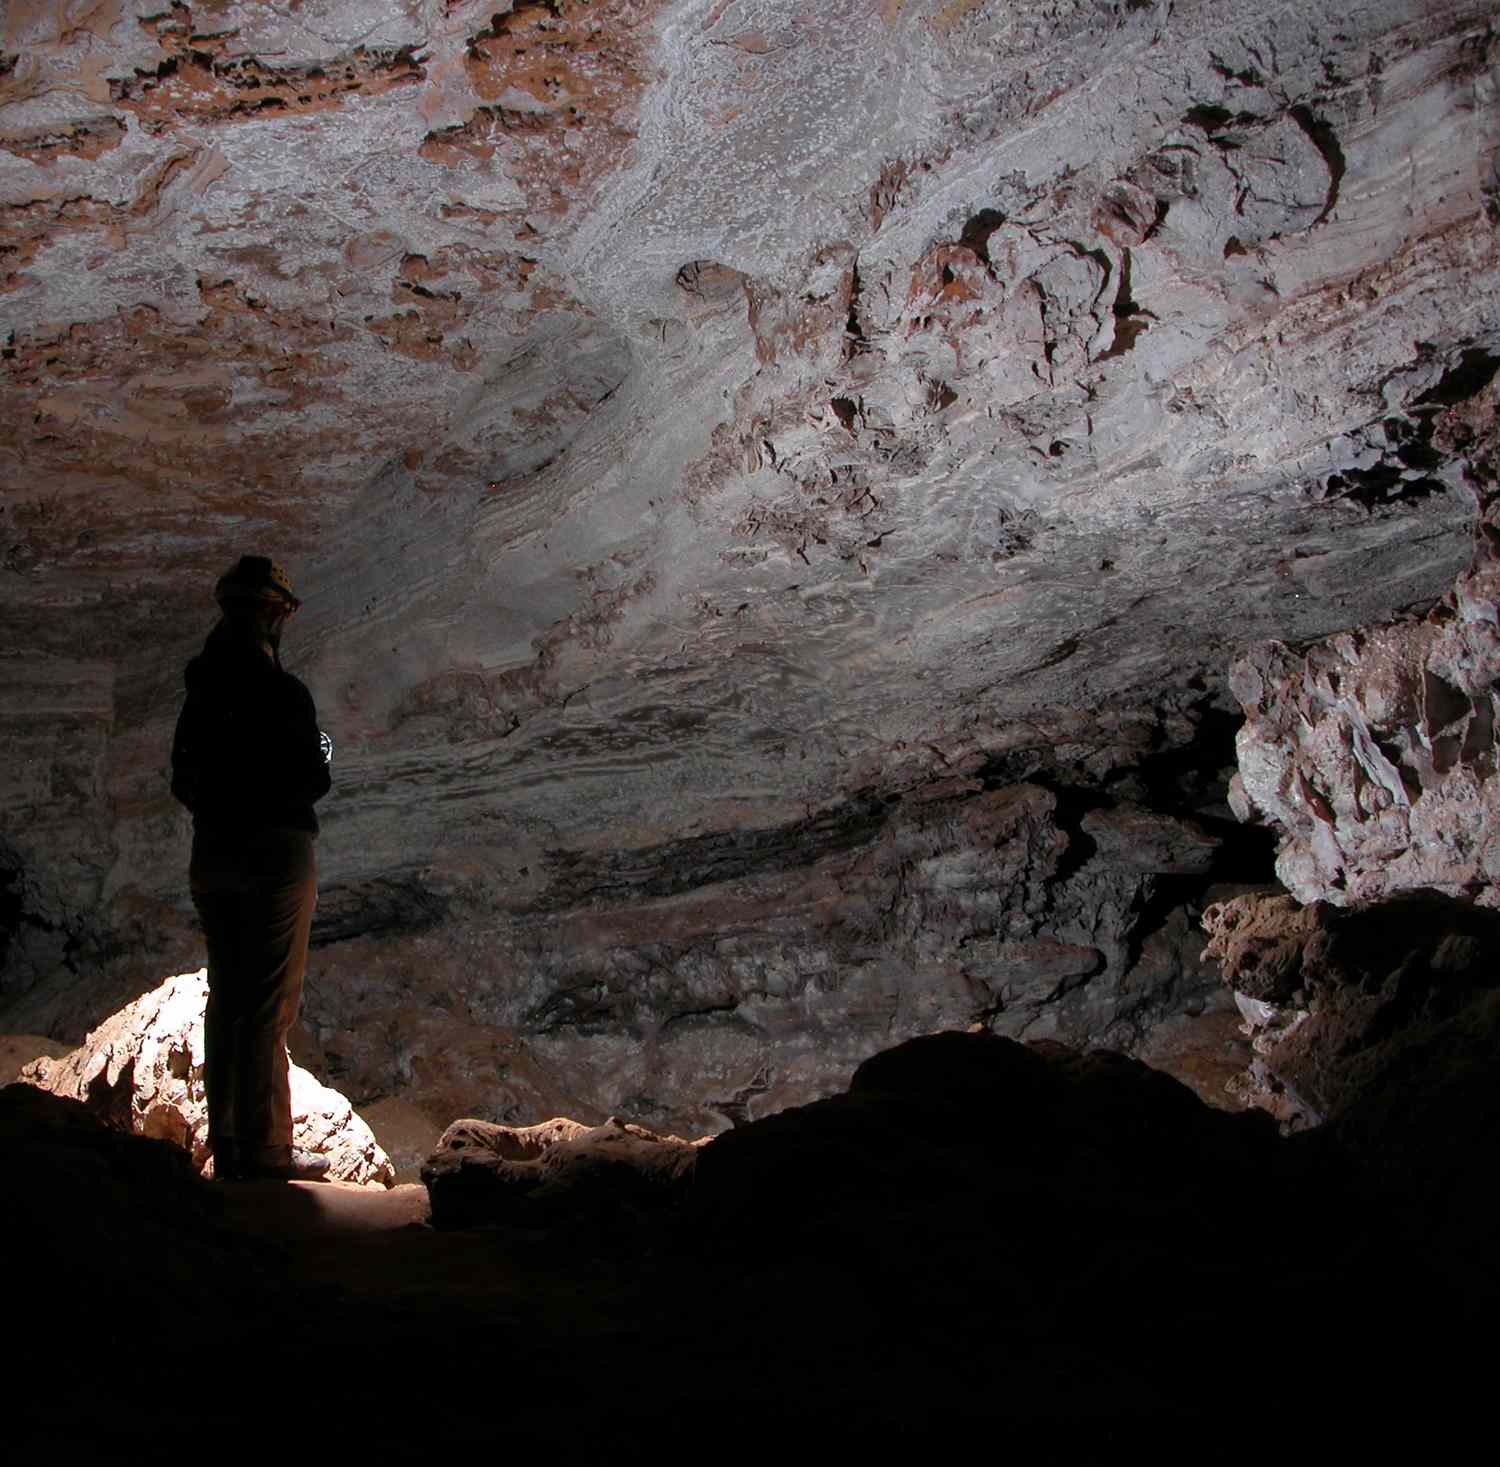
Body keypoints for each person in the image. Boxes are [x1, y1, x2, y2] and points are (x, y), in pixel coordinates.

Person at [170, 555, 332, 1182]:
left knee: (228, 995)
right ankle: (265, 1149)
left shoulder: (202, 690)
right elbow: (314, 773)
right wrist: (322, 745)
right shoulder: (281, 692)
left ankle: (230, 1142)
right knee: (267, 1000)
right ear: (272, 612)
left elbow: (185, 778)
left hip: (214, 853)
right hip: (274, 854)